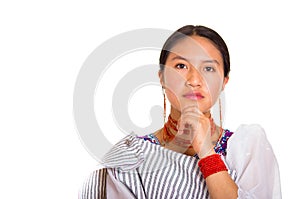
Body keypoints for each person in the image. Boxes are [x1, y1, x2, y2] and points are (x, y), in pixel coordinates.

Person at [79, 25, 282, 198]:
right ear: (161, 77)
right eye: (181, 65)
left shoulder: (248, 146)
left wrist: (206, 152)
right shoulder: (131, 158)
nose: (194, 80)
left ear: (224, 82)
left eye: (209, 68)